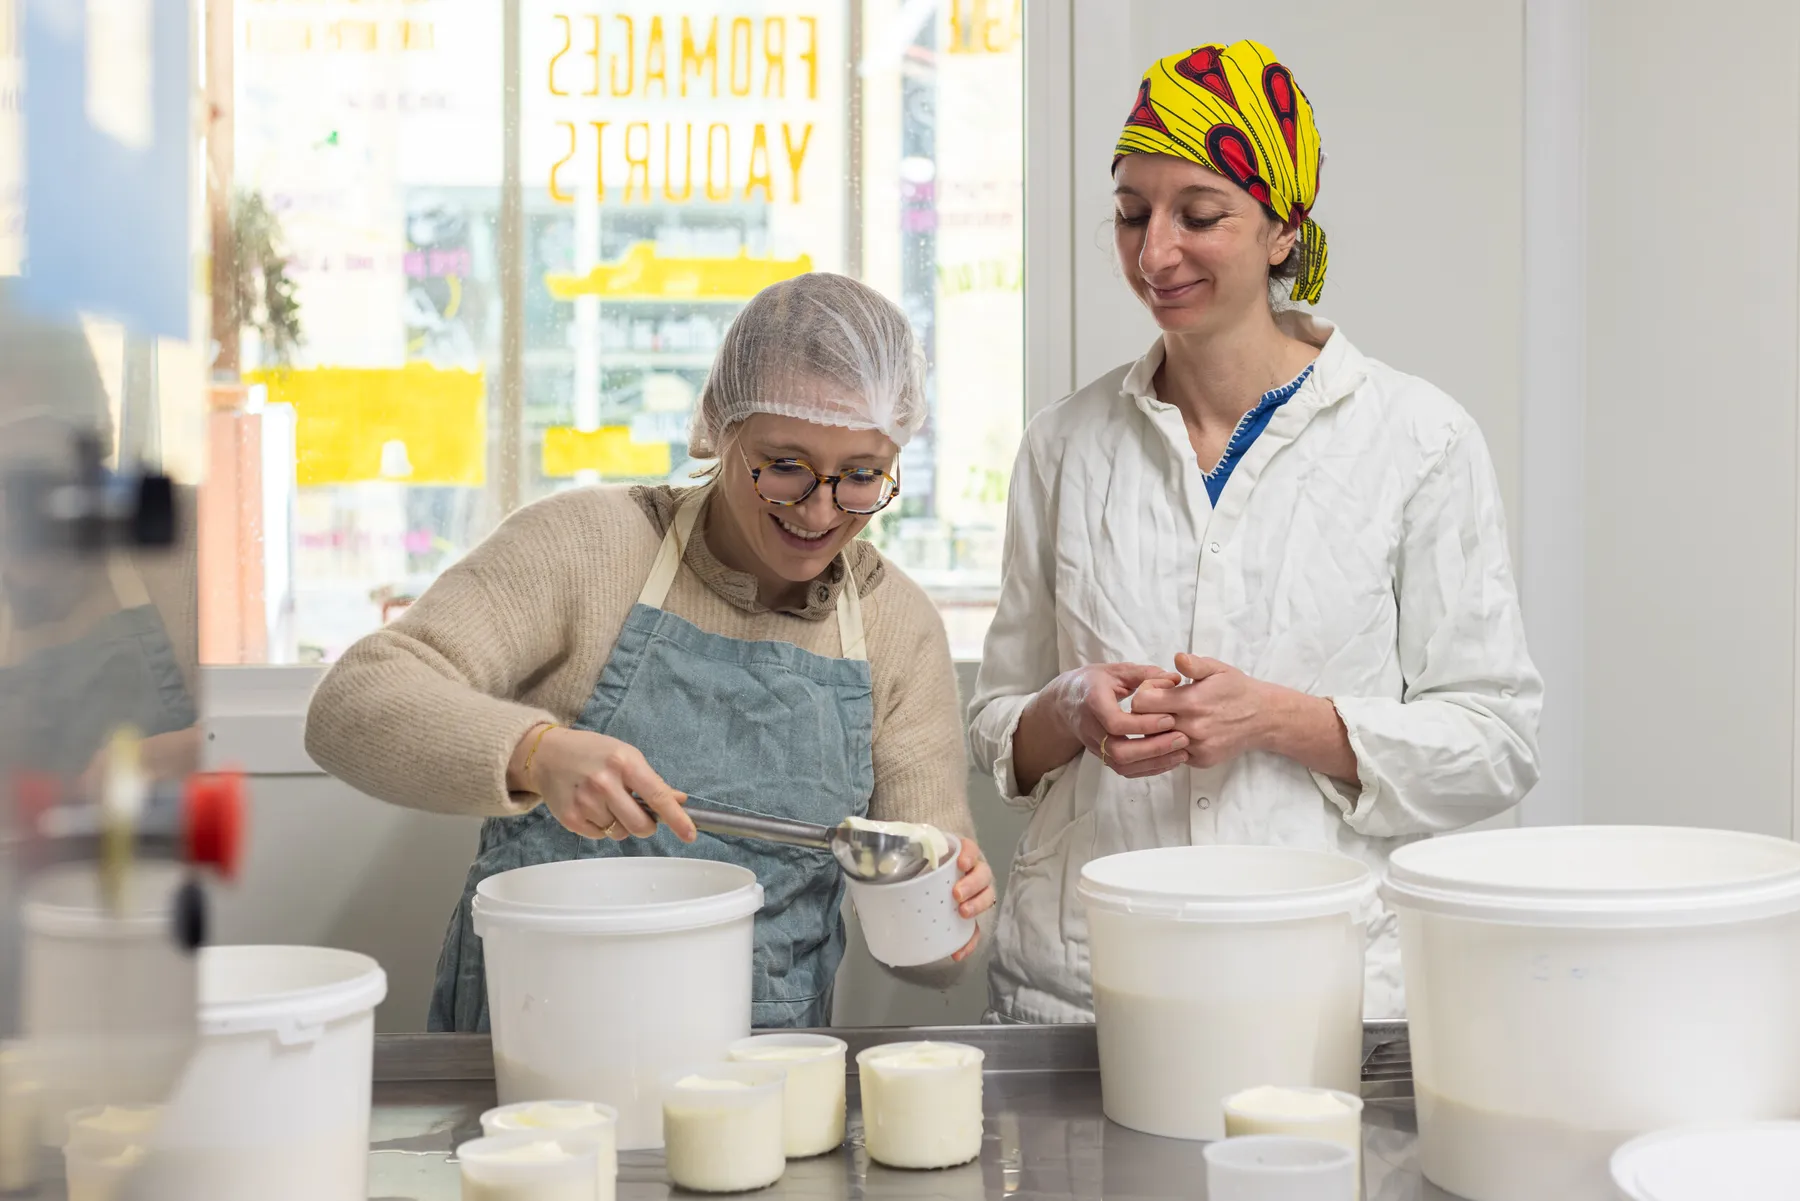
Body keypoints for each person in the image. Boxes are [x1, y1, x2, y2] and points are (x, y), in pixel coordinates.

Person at [968, 40, 1541, 1023]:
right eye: (1132, 214)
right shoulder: (1065, 445)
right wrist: (1065, 708)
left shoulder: (1419, 439)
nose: (1156, 253)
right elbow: (997, 724)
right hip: (1084, 989)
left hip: (1319, 990)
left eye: (1199, 216)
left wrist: (1278, 718)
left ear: (1283, 230)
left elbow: (1496, 742)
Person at [307, 273, 997, 1031]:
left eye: (861, 476)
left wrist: (946, 909)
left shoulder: (897, 628)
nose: (819, 509)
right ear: (719, 427)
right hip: (533, 1048)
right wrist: (535, 754)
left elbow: (933, 958)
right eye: (785, 466)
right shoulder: (587, 547)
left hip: (756, 1077)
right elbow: (351, 702)